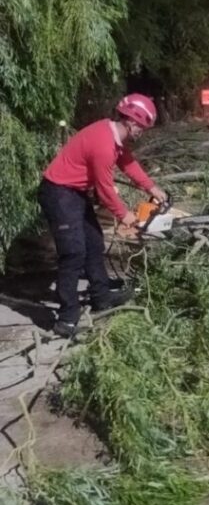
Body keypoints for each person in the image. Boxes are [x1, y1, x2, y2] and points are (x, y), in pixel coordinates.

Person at [39, 94, 167, 338]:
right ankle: (66, 318)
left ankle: (101, 296)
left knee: (94, 243)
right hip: (58, 193)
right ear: (131, 122)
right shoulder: (104, 145)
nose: (142, 132)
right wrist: (125, 216)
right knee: (73, 252)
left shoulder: (113, 136)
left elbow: (128, 163)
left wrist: (151, 187)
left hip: (74, 193)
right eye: (142, 127)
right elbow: (105, 190)